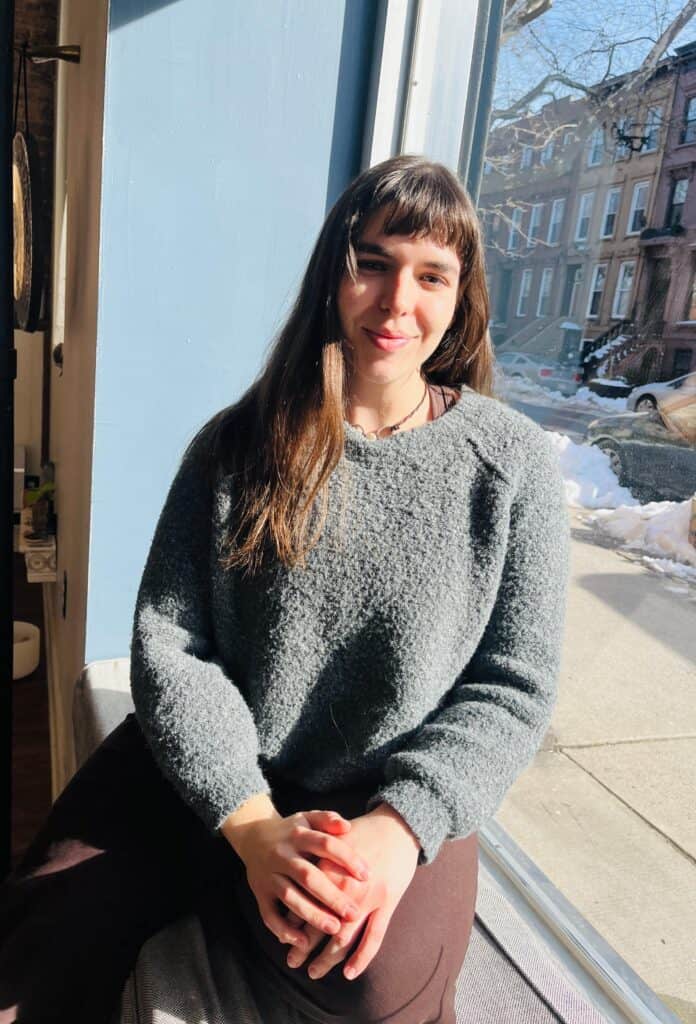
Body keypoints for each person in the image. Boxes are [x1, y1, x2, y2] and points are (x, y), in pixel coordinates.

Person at [0, 155, 570, 1024]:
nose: (395, 303)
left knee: (367, 978)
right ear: (333, 273)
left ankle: (237, 902)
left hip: (385, 793)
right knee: (45, 926)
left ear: (463, 296)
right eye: (371, 263)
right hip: (209, 772)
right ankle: (221, 881)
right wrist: (252, 828)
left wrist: (399, 829)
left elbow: (512, 686)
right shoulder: (236, 444)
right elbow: (172, 646)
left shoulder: (512, 465)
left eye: (430, 275)